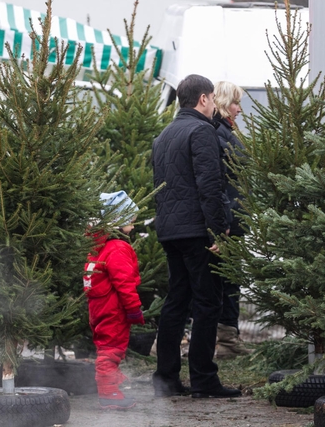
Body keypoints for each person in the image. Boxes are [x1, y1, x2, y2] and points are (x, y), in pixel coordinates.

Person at [151, 74, 241, 399]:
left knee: (176, 301)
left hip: (170, 230)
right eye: (214, 99)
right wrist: (219, 230)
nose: (215, 104)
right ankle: (204, 380)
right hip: (197, 231)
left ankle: (166, 379)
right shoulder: (201, 131)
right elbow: (210, 184)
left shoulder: (163, 135)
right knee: (208, 302)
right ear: (203, 99)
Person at [84, 190, 144, 410]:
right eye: (130, 222)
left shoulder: (96, 247)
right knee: (111, 349)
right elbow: (124, 283)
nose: (134, 226)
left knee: (106, 347)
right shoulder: (118, 248)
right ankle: (108, 393)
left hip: (98, 309)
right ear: (118, 222)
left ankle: (112, 384)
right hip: (114, 309)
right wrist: (134, 309)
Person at [211, 81, 253, 359]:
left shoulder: (227, 132)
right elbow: (219, 183)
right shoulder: (216, 134)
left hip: (234, 218)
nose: (239, 108)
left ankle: (228, 337)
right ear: (224, 103)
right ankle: (220, 339)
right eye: (235, 103)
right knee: (220, 280)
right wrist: (222, 223)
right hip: (226, 221)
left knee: (230, 279)